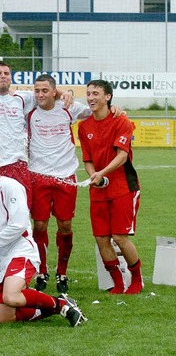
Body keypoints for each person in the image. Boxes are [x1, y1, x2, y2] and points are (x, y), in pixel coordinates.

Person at [0, 146, 87, 327]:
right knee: (3, 317)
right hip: (1, 260)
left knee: (11, 296)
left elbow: (19, 225)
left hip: (20, 251)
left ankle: (61, 304)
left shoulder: (10, 186)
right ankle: (55, 306)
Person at [0, 49, 72, 207]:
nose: (3, 76)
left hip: (19, 164)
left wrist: (64, 93)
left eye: (6, 73)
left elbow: (47, 92)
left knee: (21, 212)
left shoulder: (22, 98)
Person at [27, 74, 92, 293]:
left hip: (65, 177)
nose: (40, 94)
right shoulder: (29, 109)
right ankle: (42, 270)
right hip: (38, 175)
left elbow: (95, 110)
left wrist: (116, 109)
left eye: (45, 90)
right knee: (39, 225)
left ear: (54, 91)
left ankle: (62, 272)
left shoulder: (69, 107)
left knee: (65, 226)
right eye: (37, 90)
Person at [78, 80, 143, 295]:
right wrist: (93, 176)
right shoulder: (84, 126)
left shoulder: (121, 121)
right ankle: (117, 283)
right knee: (100, 238)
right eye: (88, 93)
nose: (91, 97)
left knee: (119, 237)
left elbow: (122, 156)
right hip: (99, 188)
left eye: (96, 93)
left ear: (108, 97)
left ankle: (136, 279)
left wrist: (101, 174)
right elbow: (87, 159)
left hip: (123, 187)